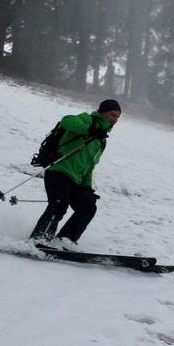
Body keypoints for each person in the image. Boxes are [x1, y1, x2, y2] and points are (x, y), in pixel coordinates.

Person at [29, 99, 122, 247]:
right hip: (59, 171)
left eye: (117, 117)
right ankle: (40, 237)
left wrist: (87, 187)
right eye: (113, 115)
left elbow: (89, 166)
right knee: (59, 205)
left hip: (75, 180)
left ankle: (65, 240)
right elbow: (66, 121)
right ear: (102, 113)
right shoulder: (88, 120)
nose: (115, 120)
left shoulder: (101, 141)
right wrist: (88, 130)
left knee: (88, 207)